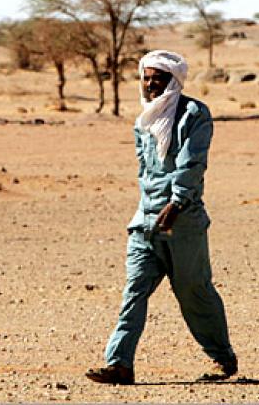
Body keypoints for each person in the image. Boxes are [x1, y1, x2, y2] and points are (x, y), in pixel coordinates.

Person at [86, 50, 237, 385]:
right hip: (145, 222)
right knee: (134, 292)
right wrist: (149, 210)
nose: (151, 84)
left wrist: (177, 204)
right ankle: (119, 363)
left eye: (159, 78)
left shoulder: (194, 114)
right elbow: (145, 171)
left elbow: (192, 164)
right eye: (147, 77)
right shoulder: (143, 121)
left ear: (175, 81)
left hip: (182, 221)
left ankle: (222, 359)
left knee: (193, 292)